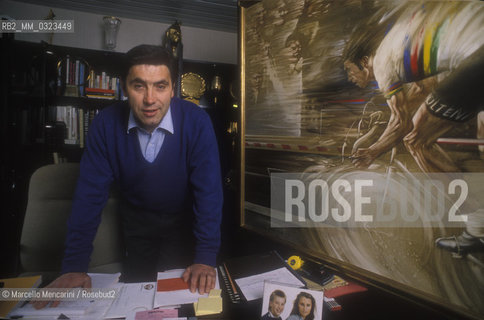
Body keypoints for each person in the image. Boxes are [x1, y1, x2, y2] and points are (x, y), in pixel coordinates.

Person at [33, 44, 223, 309]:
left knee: (182, 303)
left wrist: (205, 255)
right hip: (136, 226)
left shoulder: (197, 122)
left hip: (185, 225)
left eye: (160, 86)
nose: (149, 99)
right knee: (138, 302)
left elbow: (209, 192)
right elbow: (89, 197)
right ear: (124, 87)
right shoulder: (105, 124)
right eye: (139, 86)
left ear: (173, 88)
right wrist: (74, 266)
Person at [343, 2, 484, 254]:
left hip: (477, 56)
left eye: (349, 70)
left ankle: (477, 229)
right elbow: (423, 90)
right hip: (475, 41)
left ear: (364, 61)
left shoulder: (384, 63)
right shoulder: (400, 43)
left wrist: (372, 151)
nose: (350, 77)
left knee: (416, 139)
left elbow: (402, 123)